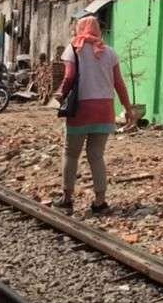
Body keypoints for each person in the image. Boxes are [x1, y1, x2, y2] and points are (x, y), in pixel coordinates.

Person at [53, 16, 135, 214]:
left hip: (81, 109)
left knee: (71, 153)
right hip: (105, 110)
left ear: (79, 29)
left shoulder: (73, 49)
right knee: (96, 155)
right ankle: (100, 201)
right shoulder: (110, 53)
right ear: (98, 30)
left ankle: (67, 197)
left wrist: (60, 94)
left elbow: (69, 76)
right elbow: (119, 84)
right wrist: (128, 108)